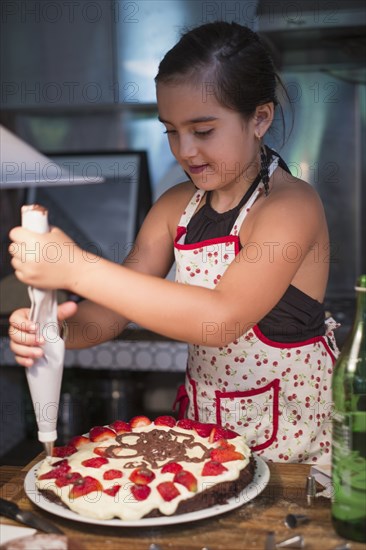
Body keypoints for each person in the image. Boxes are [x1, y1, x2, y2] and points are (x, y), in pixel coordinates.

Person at [8, 21, 339, 463]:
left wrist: (77, 267)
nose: (184, 150)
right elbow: (110, 313)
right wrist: (55, 330)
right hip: (208, 445)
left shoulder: (290, 207)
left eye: (203, 131)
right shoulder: (175, 207)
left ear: (259, 118)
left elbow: (221, 321)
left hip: (291, 457)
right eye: (171, 130)